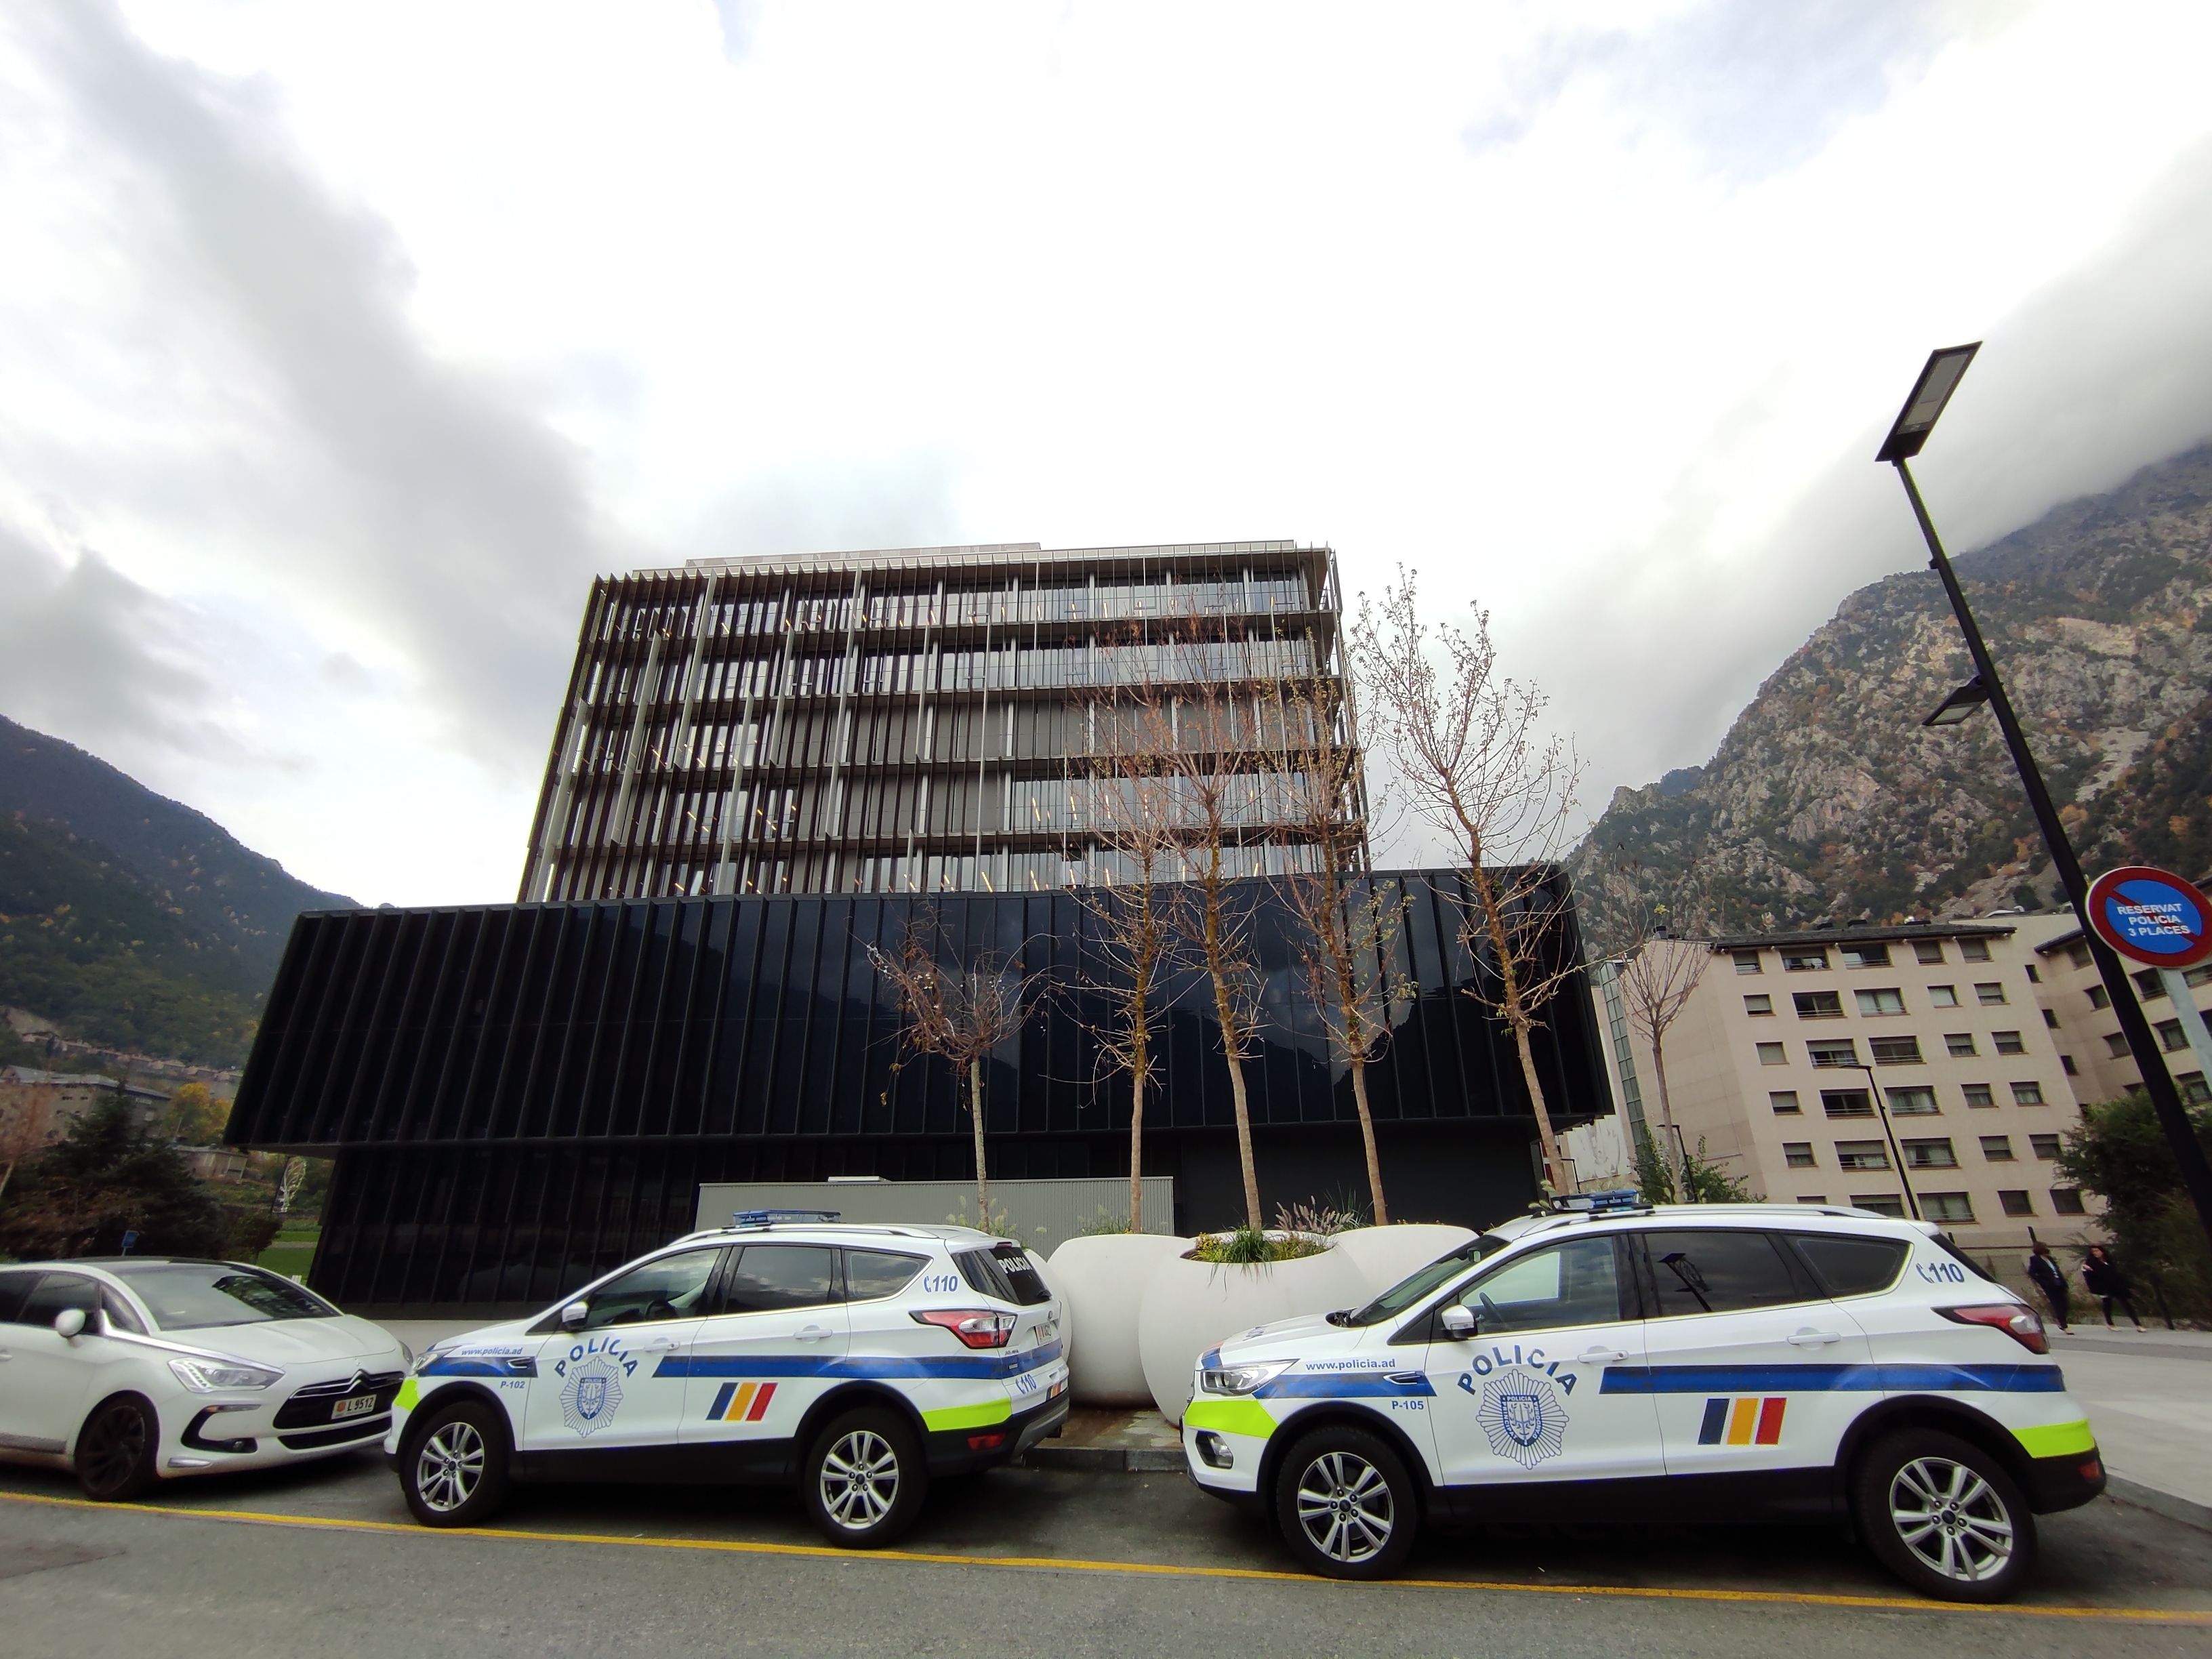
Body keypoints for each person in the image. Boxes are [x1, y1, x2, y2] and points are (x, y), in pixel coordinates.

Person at [2081, 1244, 2144, 1330]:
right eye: (2093, 1252)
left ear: (2102, 1251)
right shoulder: (2091, 1263)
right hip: (2104, 1287)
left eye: (2097, 1251)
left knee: (2125, 1303)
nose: (2095, 1253)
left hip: (2116, 1285)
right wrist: (2087, 1270)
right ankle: (2110, 1323)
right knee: (2107, 1304)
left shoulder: (2108, 1261)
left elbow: (2115, 1273)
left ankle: (2138, 1324)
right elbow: (2090, 1277)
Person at [2025, 1242, 2071, 1332]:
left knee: (2065, 1304)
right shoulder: (2035, 1259)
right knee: (2057, 1304)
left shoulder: (2049, 1259)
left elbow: (2056, 1270)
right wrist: (2042, 1282)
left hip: (2060, 1283)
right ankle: (2064, 1325)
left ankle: (2060, 1320)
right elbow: (2032, 1273)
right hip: (2050, 1285)